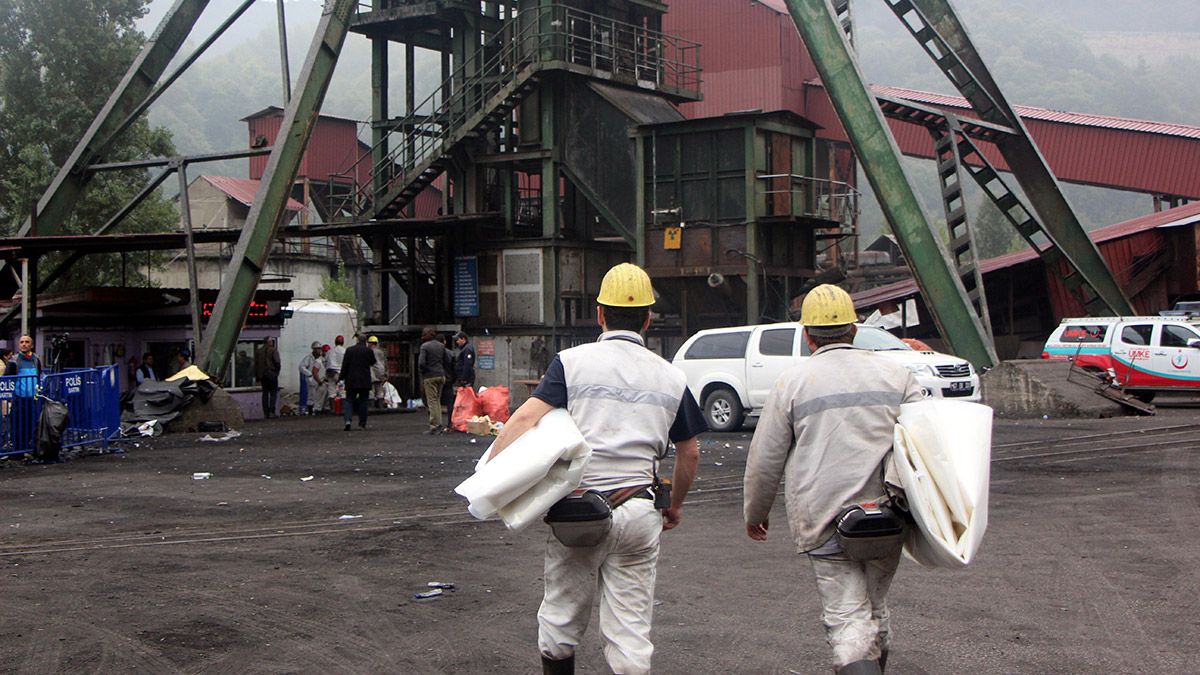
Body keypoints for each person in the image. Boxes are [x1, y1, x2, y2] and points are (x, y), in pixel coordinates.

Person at [487, 263, 707, 675]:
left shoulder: (571, 363)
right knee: (630, 631)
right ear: (646, 318)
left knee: (561, 618)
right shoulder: (672, 376)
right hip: (641, 512)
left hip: (579, 512)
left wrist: (489, 482)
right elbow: (689, 452)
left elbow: (522, 421)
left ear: (600, 313)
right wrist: (674, 506)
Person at [742, 284, 925, 675]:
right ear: (855, 331)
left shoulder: (792, 382)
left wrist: (755, 513)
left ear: (807, 336)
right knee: (874, 608)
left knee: (847, 618)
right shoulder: (899, 375)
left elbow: (766, 458)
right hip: (888, 519)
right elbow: (927, 445)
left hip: (824, 520)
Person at [7, 335, 41, 455]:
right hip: (18, 399)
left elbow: (38, 377)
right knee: (17, 426)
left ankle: (28, 448)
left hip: (32, 399)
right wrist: (10, 398)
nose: (24, 344)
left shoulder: (36, 360)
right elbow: (8, 380)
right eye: (22, 342)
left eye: (27, 342)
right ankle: (18, 451)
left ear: (31, 345)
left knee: (30, 425)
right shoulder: (14, 361)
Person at [417, 327, 453, 435]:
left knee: (432, 401)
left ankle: (434, 426)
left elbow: (421, 363)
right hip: (441, 375)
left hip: (430, 376)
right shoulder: (441, 346)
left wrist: (424, 371)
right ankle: (439, 424)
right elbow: (447, 360)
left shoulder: (424, 346)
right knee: (437, 400)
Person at [340, 333, 376, 431]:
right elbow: (373, 362)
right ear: (366, 342)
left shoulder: (349, 350)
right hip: (364, 381)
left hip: (351, 380)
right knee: (363, 402)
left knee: (349, 401)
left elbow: (345, 365)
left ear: (357, 340)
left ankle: (348, 420)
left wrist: (341, 377)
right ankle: (362, 423)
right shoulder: (368, 351)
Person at [254, 337, 282, 418]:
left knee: (265, 393)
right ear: (270, 342)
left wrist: (257, 376)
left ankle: (265, 412)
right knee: (273, 393)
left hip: (262, 375)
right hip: (271, 374)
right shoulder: (273, 350)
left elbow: (256, 364)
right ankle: (272, 411)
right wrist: (277, 371)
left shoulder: (259, 351)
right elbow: (277, 361)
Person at [298, 341, 326, 415]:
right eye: (316, 349)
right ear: (313, 349)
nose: (318, 350)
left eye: (319, 349)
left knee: (320, 396)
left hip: (320, 378)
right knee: (311, 395)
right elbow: (301, 367)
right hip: (311, 379)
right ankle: (310, 411)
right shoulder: (308, 358)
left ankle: (318, 409)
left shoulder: (322, 359)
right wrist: (309, 373)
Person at [325, 334, 346, 407]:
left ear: (335, 342)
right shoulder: (344, 351)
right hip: (341, 374)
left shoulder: (330, 351)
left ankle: (333, 409)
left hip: (331, 373)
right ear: (343, 343)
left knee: (331, 391)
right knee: (342, 391)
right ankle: (343, 409)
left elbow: (325, 361)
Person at [368, 336, 388, 408]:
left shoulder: (369, 352)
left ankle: (371, 408)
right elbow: (385, 363)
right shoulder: (381, 352)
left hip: (372, 373)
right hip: (380, 373)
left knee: (371, 392)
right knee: (379, 392)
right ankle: (380, 407)